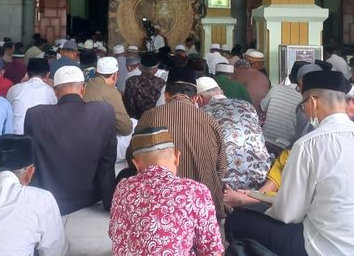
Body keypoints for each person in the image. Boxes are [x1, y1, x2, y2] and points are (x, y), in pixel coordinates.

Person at [225, 70, 354, 255]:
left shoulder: (308, 144)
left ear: (313, 102)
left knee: (238, 220)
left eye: (303, 106)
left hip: (326, 249)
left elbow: (288, 214)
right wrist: (259, 196)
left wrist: (260, 204)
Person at [110, 127, 224, 255]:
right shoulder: (196, 191)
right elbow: (212, 250)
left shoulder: (122, 188)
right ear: (177, 157)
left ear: (136, 164)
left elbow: (114, 234)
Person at [24, 65, 116, 215]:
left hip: (49, 198)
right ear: (83, 89)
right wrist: (109, 203)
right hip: (89, 198)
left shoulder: (35, 115)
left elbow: (30, 160)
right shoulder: (103, 111)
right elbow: (107, 163)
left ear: (55, 92)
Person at [137, 67, 227, 218]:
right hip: (203, 210)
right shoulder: (210, 122)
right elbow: (221, 168)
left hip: (161, 208)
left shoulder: (149, 117)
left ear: (166, 96)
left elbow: (135, 157)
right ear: (195, 98)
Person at [197, 77, 269, 190]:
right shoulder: (247, 106)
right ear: (221, 92)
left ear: (200, 99)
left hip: (226, 185)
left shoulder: (202, 113)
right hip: (260, 178)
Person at [260, 61, 311, 153]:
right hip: (284, 148)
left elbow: (263, 107)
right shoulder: (304, 99)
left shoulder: (276, 89)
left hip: (264, 142)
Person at [7, 58, 57, 134]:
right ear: (47, 75)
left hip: (15, 138)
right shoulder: (50, 92)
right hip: (39, 139)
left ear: (27, 73)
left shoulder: (14, 89)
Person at [123, 53, 167, 119]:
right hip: (153, 121)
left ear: (140, 67)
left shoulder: (131, 81)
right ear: (156, 69)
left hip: (134, 120)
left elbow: (128, 104)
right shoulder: (161, 83)